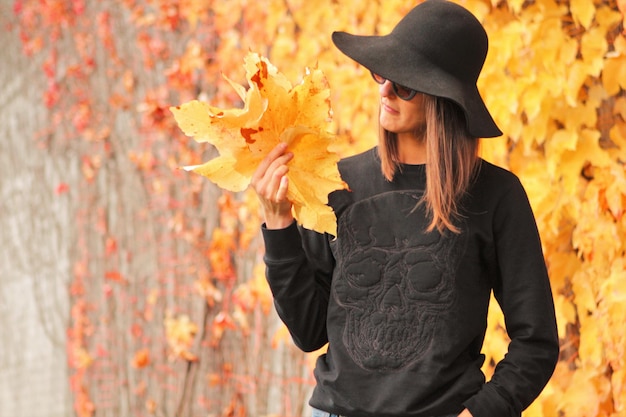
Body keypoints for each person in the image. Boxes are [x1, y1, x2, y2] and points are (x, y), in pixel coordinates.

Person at [251, 1, 559, 416]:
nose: (385, 90)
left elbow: (536, 341)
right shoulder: (337, 183)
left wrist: (481, 413)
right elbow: (308, 331)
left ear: (445, 99)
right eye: (382, 74)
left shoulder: (496, 196)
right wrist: (279, 224)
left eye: (406, 84)